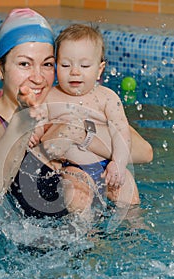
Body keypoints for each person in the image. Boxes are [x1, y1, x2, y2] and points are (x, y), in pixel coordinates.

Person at [0, 8, 153, 220]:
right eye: (24, 64)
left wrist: (79, 132)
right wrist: (24, 119)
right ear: (0, 68)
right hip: (31, 246)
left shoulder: (65, 102)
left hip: (95, 235)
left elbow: (144, 152)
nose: (37, 77)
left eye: (47, 64)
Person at [29, 23, 139, 213]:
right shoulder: (50, 97)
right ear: (56, 66)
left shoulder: (107, 97)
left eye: (85, 65)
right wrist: (33, 132)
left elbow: (121, 132)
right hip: (73, 167)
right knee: (78, 197)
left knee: (128, 192)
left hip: (107, 165)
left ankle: (135, 230)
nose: (75, 71)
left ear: (99, 69)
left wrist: (119, 164)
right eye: (65, 65)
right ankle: (88, 237)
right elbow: (39, 124)